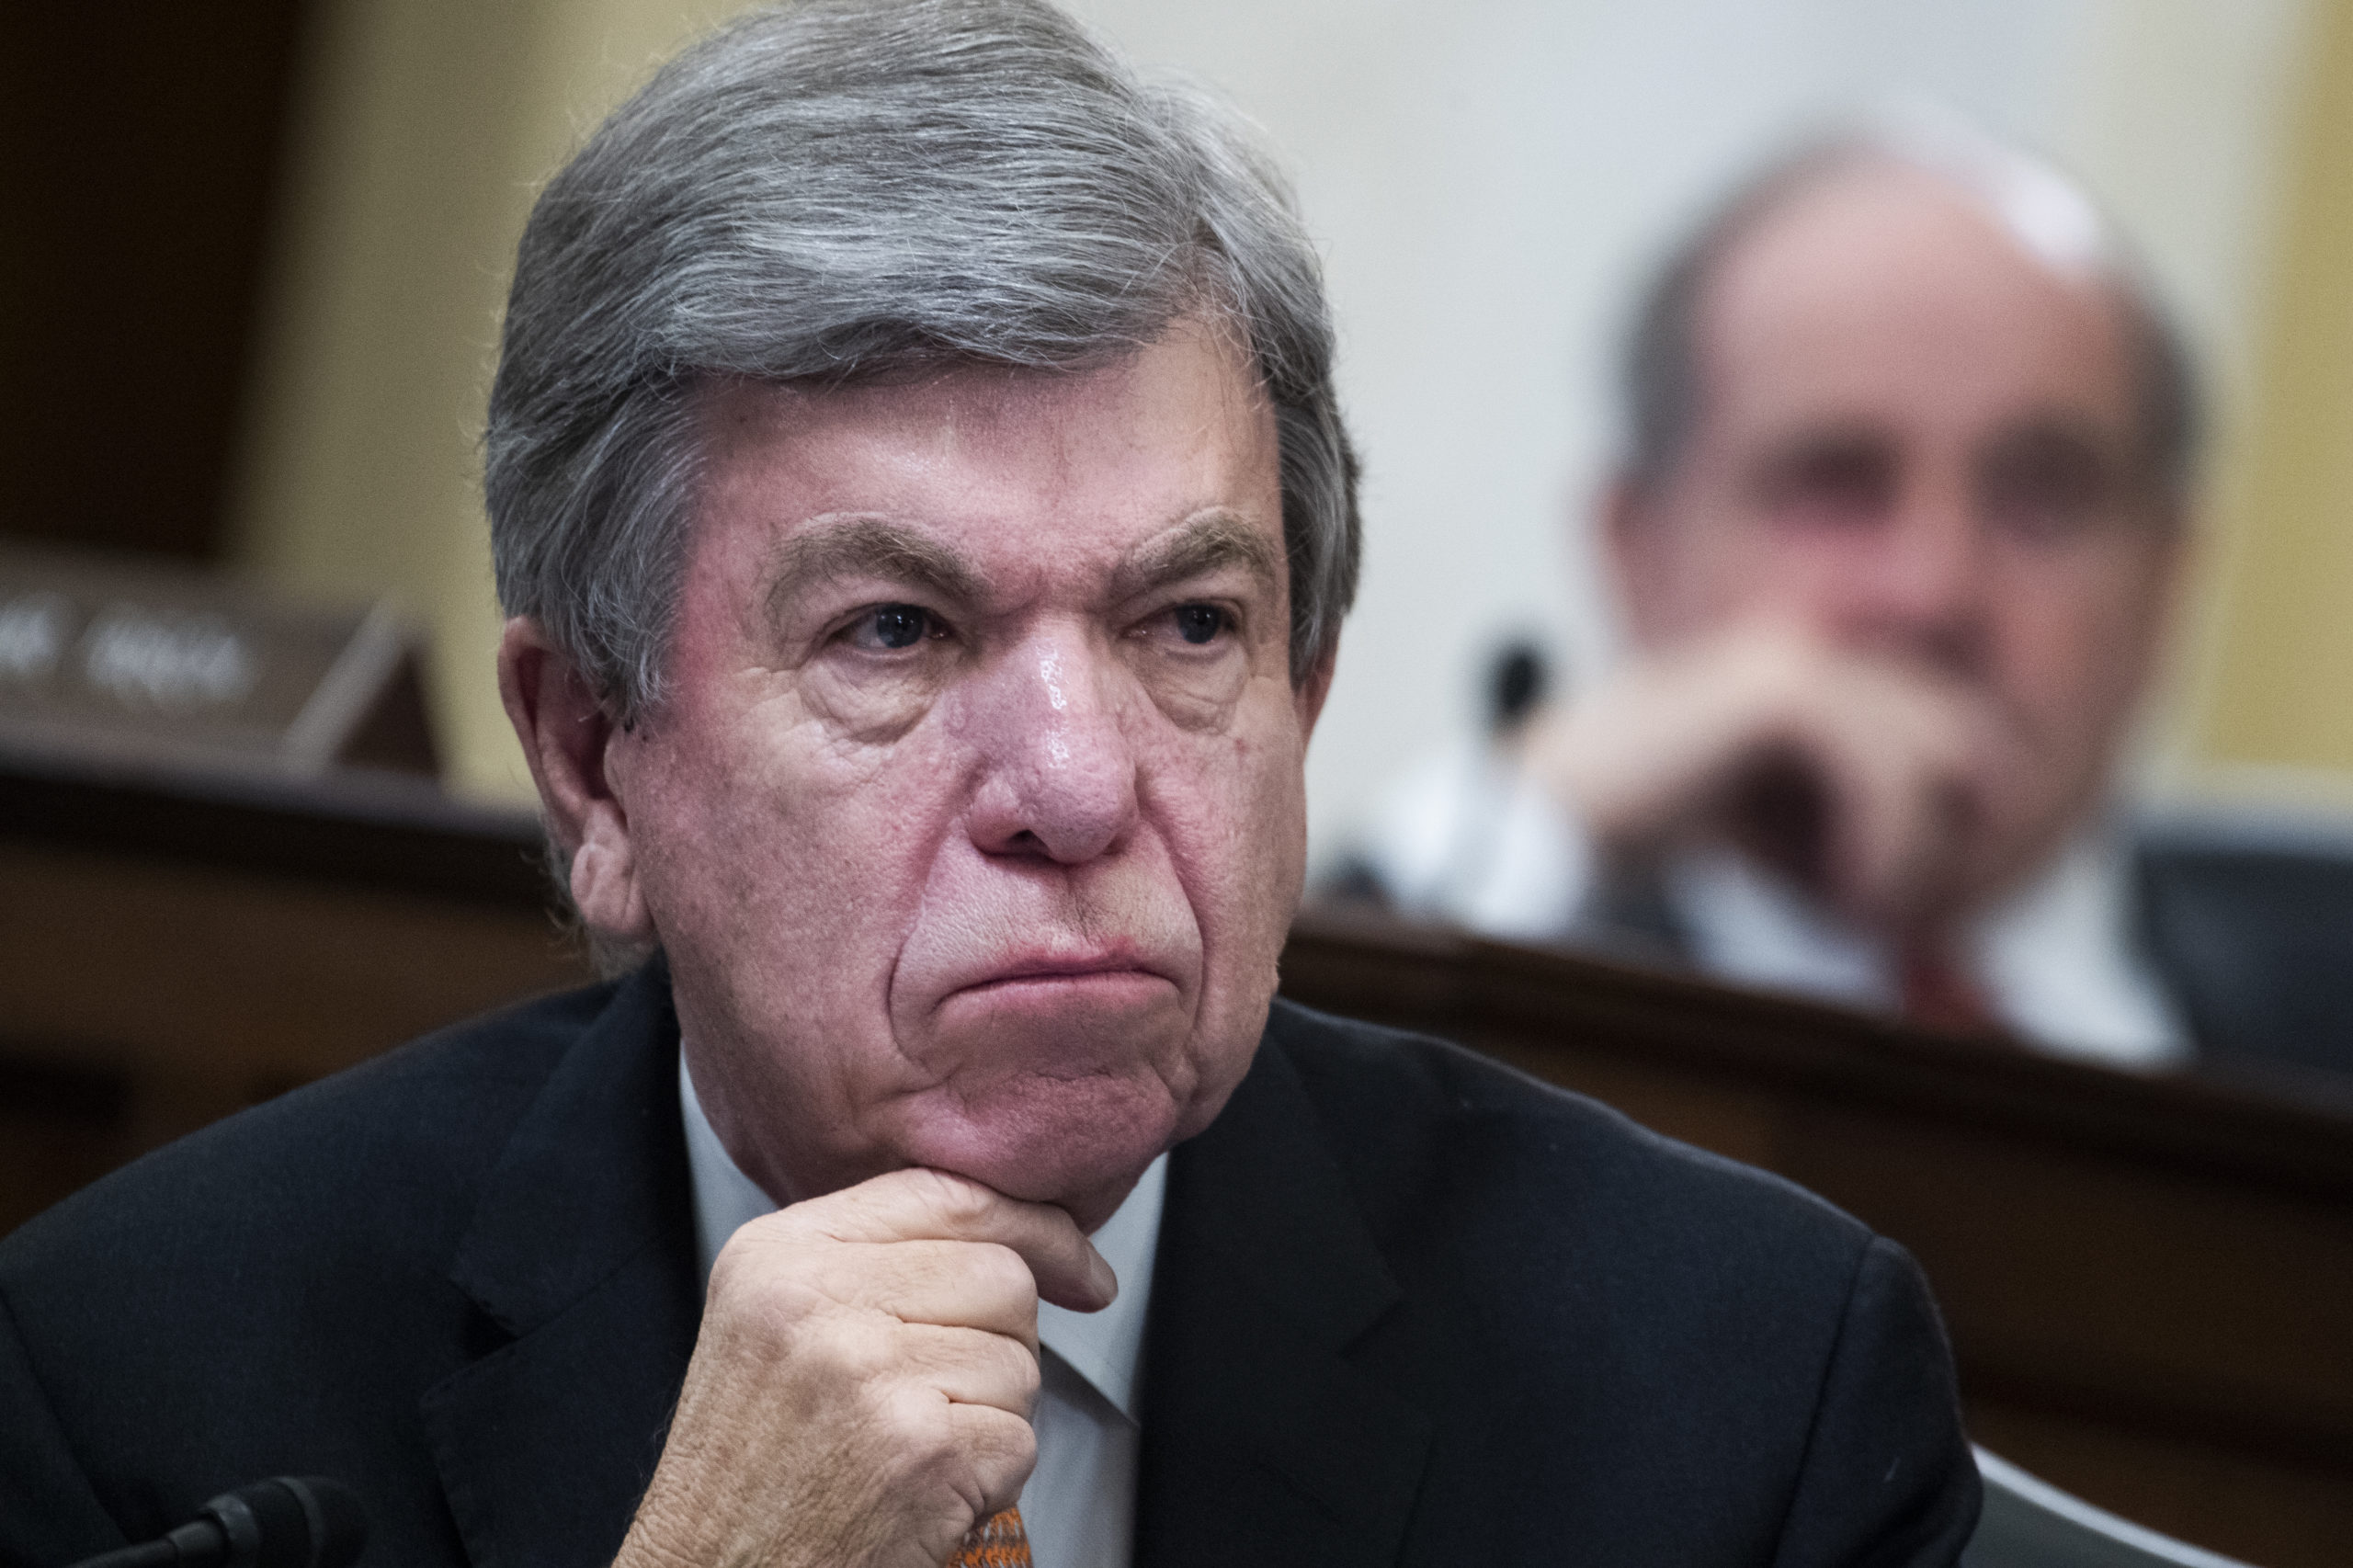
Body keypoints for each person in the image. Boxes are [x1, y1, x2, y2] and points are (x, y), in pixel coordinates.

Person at [0, 6, 1979, 1564]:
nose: (1073, 784)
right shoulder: (151, 1383)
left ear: (1304, 688)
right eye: (894, 632)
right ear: (594, 762)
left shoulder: (1741, 1395)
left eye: (1187, 625)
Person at [1358, 124, 2353, 1076]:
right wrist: (1540, 809)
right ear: (1638, 553)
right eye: (1833, 485)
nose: (1933, 591)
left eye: (2041, 495)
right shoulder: (1506, 960)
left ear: (2167, 579)